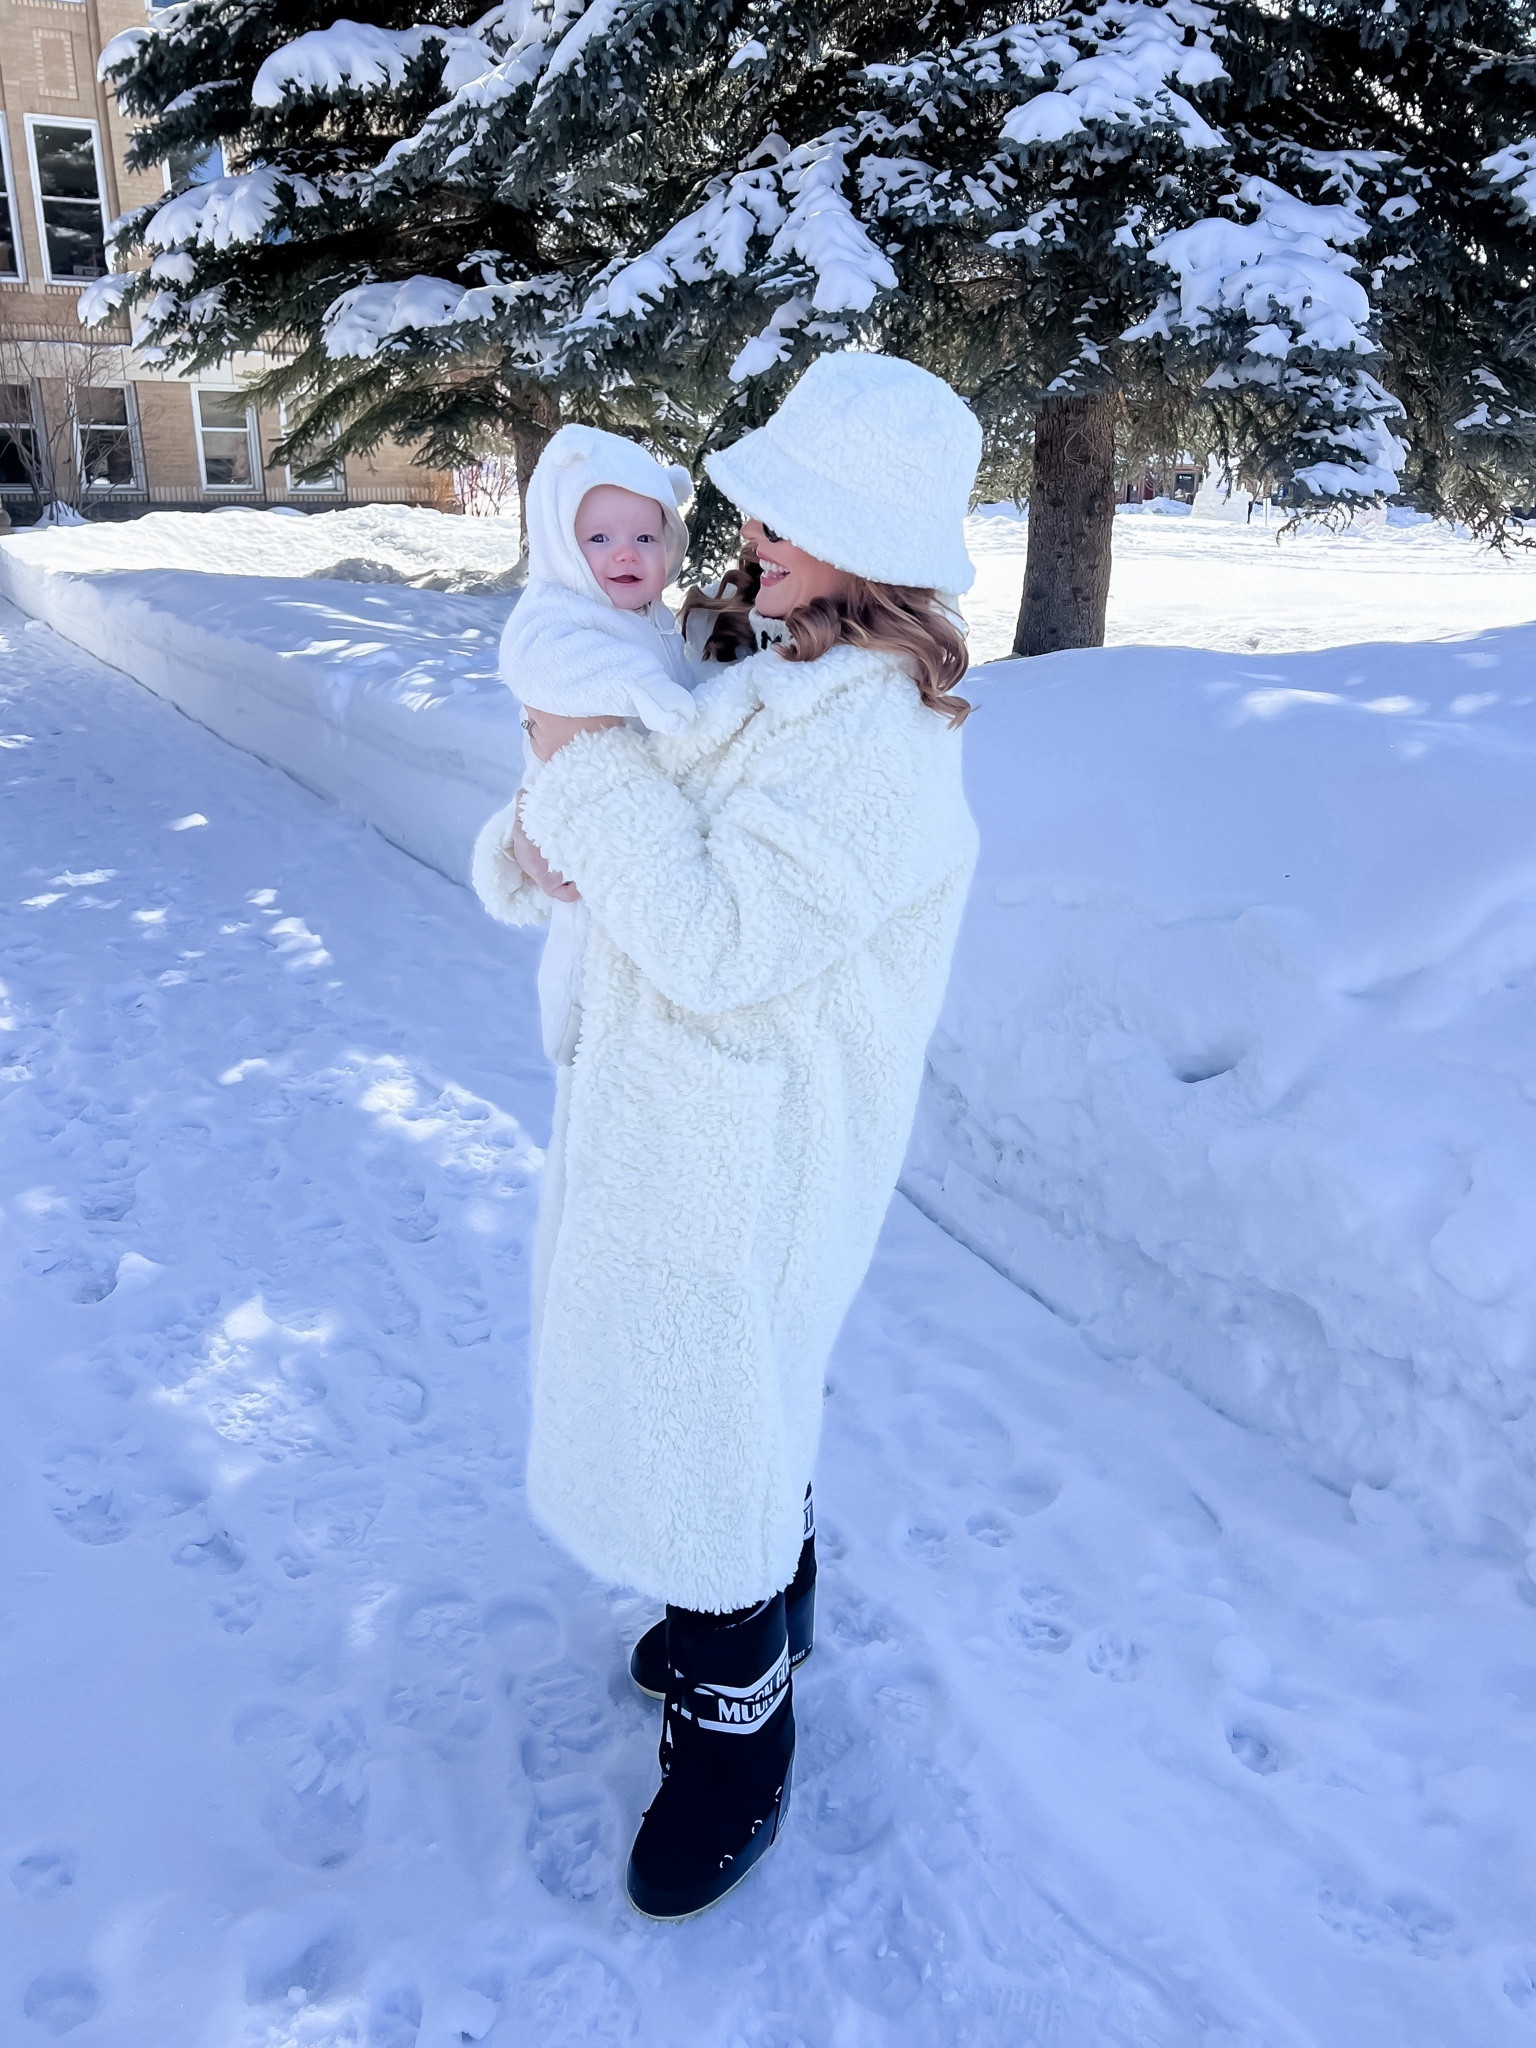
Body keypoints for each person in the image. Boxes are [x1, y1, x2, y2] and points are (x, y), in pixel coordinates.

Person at [473, 352, 982, 1919]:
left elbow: (710, 934)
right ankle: (772, 1595)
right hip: (682, 1118)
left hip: (751, 1145)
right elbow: (648, 822)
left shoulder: (877, 740)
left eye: (789, 511)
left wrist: (578, 769)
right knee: (730, 1395)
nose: (747, 527)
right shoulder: (775, 667)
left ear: (870, 540)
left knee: (716, 1426)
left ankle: (735, 1743)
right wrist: (545, 829)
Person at [472, 424, 698, 1067]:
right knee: (581, 939)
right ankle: (569, 1041)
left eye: (645, 537)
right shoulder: (552, 612)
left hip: (633, 822)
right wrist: (638, 686)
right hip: (574, 821)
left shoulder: (649, 617)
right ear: (559, 545)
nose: (624, 553)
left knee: (618, 946)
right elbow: (541, 668)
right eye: (598, 538)